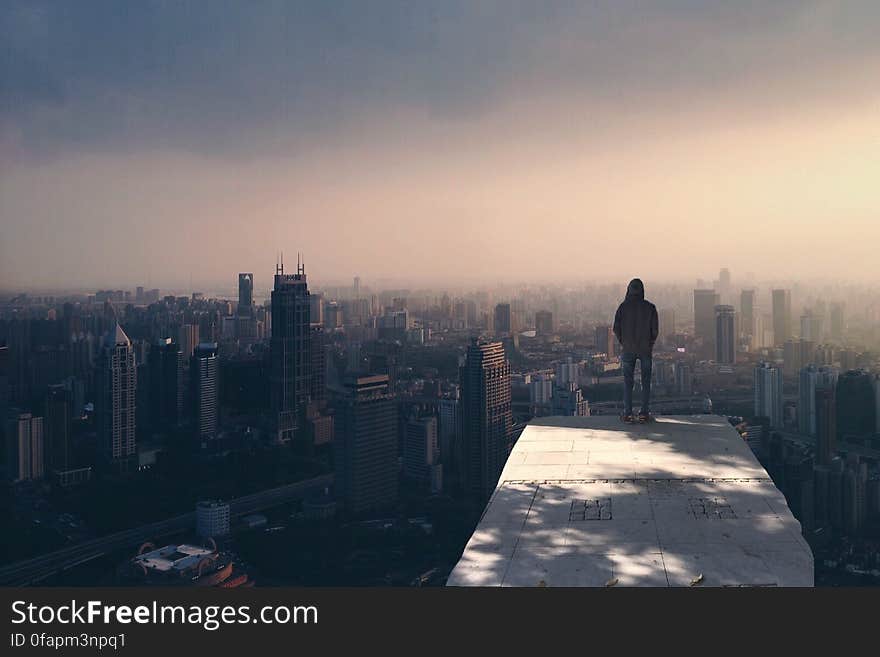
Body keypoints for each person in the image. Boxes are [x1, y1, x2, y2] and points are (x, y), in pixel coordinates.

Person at [612, 278, 659, 423]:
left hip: (628, 349)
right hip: (645, 349)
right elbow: (655, 330)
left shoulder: (623, 307)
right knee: (646, 382)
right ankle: (644, 413)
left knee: (628, 382)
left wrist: (623, 342)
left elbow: (616, 328)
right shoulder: (650, 307)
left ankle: (627, 413)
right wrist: (649, 343)